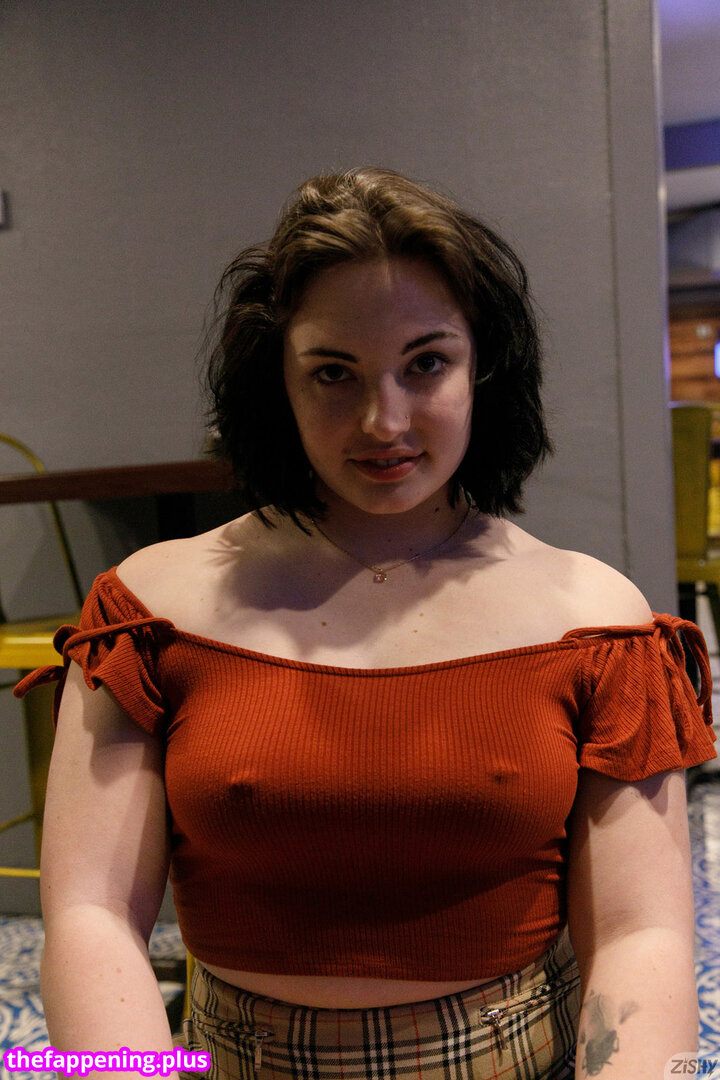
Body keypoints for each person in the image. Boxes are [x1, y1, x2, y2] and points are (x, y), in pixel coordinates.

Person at [18, 166, 716, 1080]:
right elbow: (89, 915)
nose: (383, 421)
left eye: (426, 363)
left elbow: (642, 935)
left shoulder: (598, 624)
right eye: (333, 373)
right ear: (277, 382)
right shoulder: (148, 614)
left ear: (485, 369)